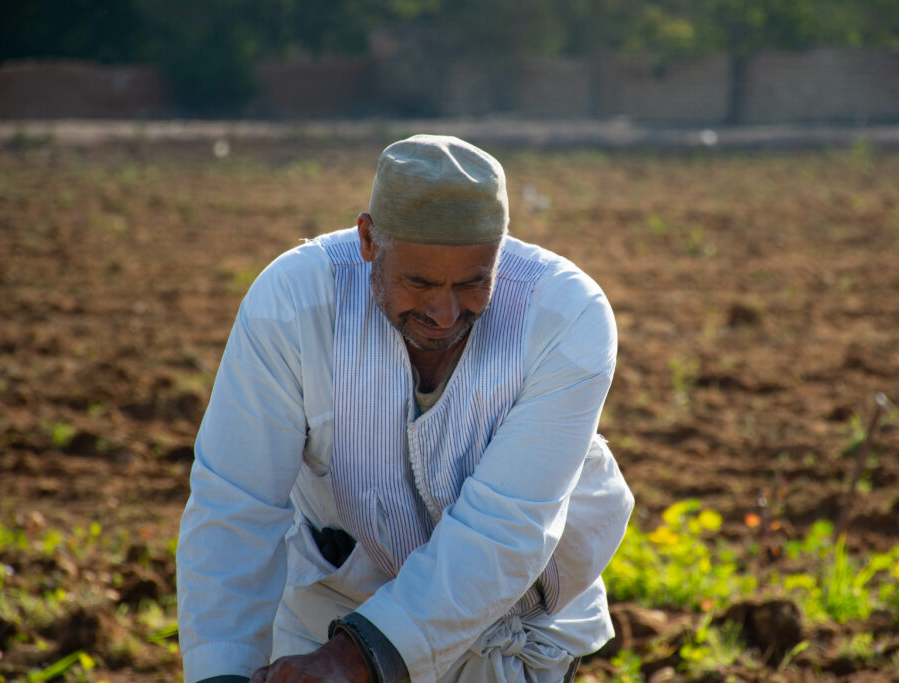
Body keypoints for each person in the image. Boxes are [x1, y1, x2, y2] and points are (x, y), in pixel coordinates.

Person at [176, 134, 633, 683]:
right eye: (419, 282)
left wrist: (357, 661)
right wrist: (222, 672)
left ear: (501, 250)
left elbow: (507, 525)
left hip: (507, 620)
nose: (444, 312)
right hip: (329, 609)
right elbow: (236, 503)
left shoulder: (564, 317)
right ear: (369, 240)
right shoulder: (294, 305)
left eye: (473, 283)